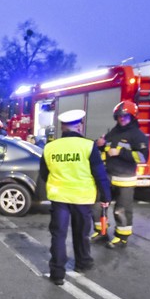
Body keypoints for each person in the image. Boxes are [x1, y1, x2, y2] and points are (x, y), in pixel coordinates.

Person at [40, 110, 111, 285]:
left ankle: (57, 274)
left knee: (58, 235)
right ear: (79, 126)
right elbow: (100, 174)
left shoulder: (50, 147)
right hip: (82, 198)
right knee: (81, 234)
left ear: (62, 127)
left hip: (59, 198)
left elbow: (43, 174)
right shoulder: (88, 146)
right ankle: (82, 263)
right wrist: (106, 195)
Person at [91, 101, 149, 249]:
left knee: (121, 209)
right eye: (119, 116)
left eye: (125, 116)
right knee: (97, 205)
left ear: (132, 117)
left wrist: (121, 152)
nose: (122, 119)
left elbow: (143, 157)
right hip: (108, 176)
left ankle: (121, 237)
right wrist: (101, 145)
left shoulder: (138, 136)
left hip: (125, 179)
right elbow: (106, 150)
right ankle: (101, 231)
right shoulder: (113, 132)